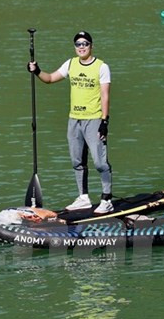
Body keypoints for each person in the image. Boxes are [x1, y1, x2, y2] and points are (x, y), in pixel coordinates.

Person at [27, 31, 114, 214]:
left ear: (91, 46)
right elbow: (50, 79)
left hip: (94, 119)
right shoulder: (71, 64)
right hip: (74, 119)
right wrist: (37, 71)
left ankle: (106, 199)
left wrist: (104, 121)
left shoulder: (101, 67)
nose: (81, 47)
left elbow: (105, 96)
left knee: (100, 162)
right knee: (77, 161)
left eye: (85, 44)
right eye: (78, 44)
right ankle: (83, 198)